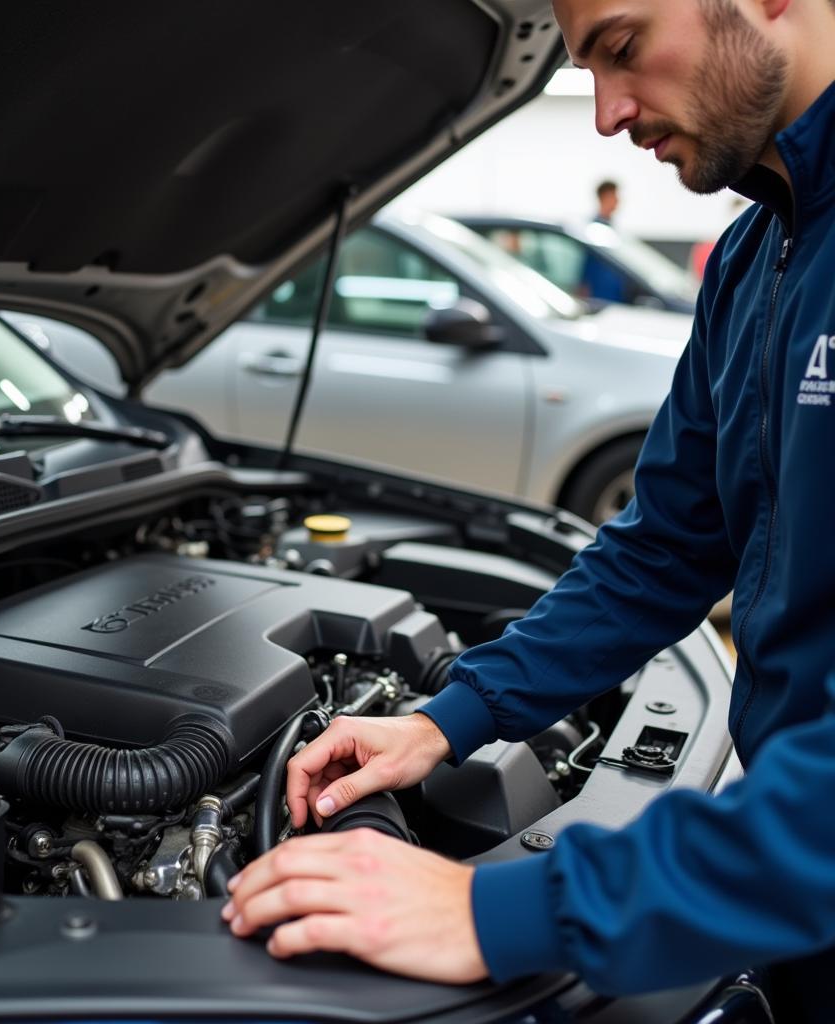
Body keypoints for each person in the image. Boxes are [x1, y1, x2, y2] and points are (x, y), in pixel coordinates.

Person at [223, 0, 835, 1018]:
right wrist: (446, 719)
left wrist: (500, 912)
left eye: (622, 48)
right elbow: (663, 548)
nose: (605, 113)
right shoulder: (752, 259)